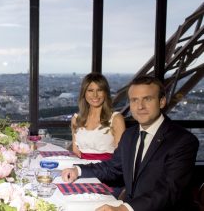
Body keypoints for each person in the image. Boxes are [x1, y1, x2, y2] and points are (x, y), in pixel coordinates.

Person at [62, 76, 199, 211]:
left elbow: (169, 191)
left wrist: (125, 208)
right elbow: (112, 168)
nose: (140, 106)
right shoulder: (130, 135)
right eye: (134, 100)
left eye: (147, 99)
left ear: (162, 102)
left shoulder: (183, 141)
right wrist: (78, 170)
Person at [71, 72, 125, 160]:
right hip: (81, 169)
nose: (95, 95)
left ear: (106, 93)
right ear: (84, 93)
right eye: (90, 90)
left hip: (106, 170)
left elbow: (120, 157)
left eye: (99, 90)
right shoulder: (76, 119)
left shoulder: (116, 119)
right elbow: (75, 151)